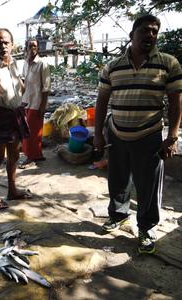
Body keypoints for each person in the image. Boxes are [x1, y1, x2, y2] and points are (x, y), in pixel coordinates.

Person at [94, 15, 182, 254]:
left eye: (155, 31)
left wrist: (172, 137)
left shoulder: (168, 63)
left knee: (148, 185)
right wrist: (98, 134)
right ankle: (118, 215)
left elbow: (175, 103)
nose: (150, 35)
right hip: (117, 133)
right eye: (145, 30)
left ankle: (146, 227)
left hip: (149, 135)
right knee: (118, 179)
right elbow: (102, 101)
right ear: (132, 34)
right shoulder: (112, 66)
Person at [0, 28, 32, 210]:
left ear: (12, 44)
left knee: (14, 155)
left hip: (15, 115)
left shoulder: (15, 63)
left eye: (6, 42)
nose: (3, 46)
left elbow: (19, 84)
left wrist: (21, 97)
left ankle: (12, 190)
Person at [19, 38, 50, 169]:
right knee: (27, 130)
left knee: (32, 132)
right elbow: (23, 82)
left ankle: (30, 157)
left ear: (38, 48)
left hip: (37, 102)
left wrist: (43, 105)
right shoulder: (25, 63)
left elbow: (46, 87)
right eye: (30, 46)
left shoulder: (42, 64)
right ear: (26, 48)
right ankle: (36, 155)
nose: (32, 48)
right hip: (26, 101)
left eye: (35, 46)